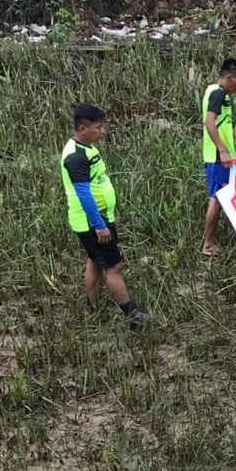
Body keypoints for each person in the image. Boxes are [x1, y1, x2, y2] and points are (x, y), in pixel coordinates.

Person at [61, 104, 150, 327]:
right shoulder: (76, 157)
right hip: (93, 222)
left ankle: (93, 306)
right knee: (114, 267)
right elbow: (83, 194)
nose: (103, 131)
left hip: (98, 219)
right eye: (98, 128)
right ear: (82, 128)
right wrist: (99, 225)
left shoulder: (86, 147)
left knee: (94, 261)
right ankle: (132, 315)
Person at [200, 58, 236, 258]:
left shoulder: (215, 91)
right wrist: (223, 150)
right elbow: (209, 122)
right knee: (216, 200)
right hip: (217, 158)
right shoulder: (218, 94)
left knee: (222, 198)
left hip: (220, 157)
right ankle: (207, 244)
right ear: (228, 77)